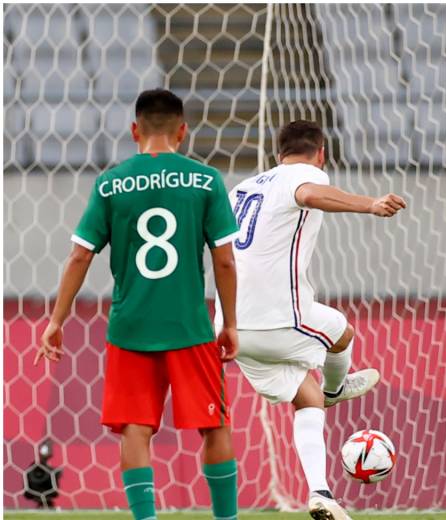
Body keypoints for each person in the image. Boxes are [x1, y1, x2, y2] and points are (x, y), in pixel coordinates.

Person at [37, 89, 241, 520]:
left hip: (130, 328)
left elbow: (80, 255)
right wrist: (231, 323)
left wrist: (57, 320)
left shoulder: (111, 183)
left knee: (135, 427)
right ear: (183, 132)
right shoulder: (205, 180)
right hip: (190, 327)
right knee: (215, 424)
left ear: (135, 130)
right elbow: (224, 259)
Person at [215, 120, 406, 520]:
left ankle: (321, 493)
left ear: (276, 152)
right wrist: (369, 204)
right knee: (343, 335)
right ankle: (337, 388)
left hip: (230, 328)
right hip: (280, 318)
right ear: (321, 153)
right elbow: (310, 192)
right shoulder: (303, 176)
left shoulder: (242, 189)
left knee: (307, 397)